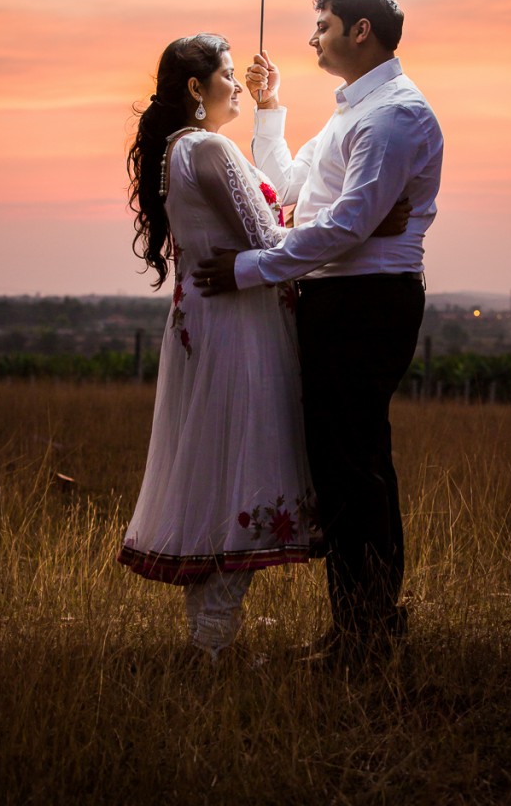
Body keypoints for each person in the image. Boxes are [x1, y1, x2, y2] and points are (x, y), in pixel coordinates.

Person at [194, 0, 444, 665]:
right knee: (340, 465)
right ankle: (363, 624)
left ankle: (366, 630)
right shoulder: (350, 114)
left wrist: (248, 268)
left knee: (355, 465)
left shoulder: (395, 115)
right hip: (337, 298)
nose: (311, 38)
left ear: (360, 31)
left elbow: (343, 226)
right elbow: (290, 190)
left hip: (367, 301)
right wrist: (270, 108)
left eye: (324, 24)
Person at [116, 33, 320, 664]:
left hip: (203, 327)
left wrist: (270, 105)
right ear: (196, 90)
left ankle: (208, 640)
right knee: (242, 467)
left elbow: (258, 218)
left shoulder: (178, 151)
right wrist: (339, 219)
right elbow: (271, 237)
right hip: (239, 330)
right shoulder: (208, 147)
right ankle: (212, 644)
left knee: (215, 466)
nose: (238, 83)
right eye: (229, 75)